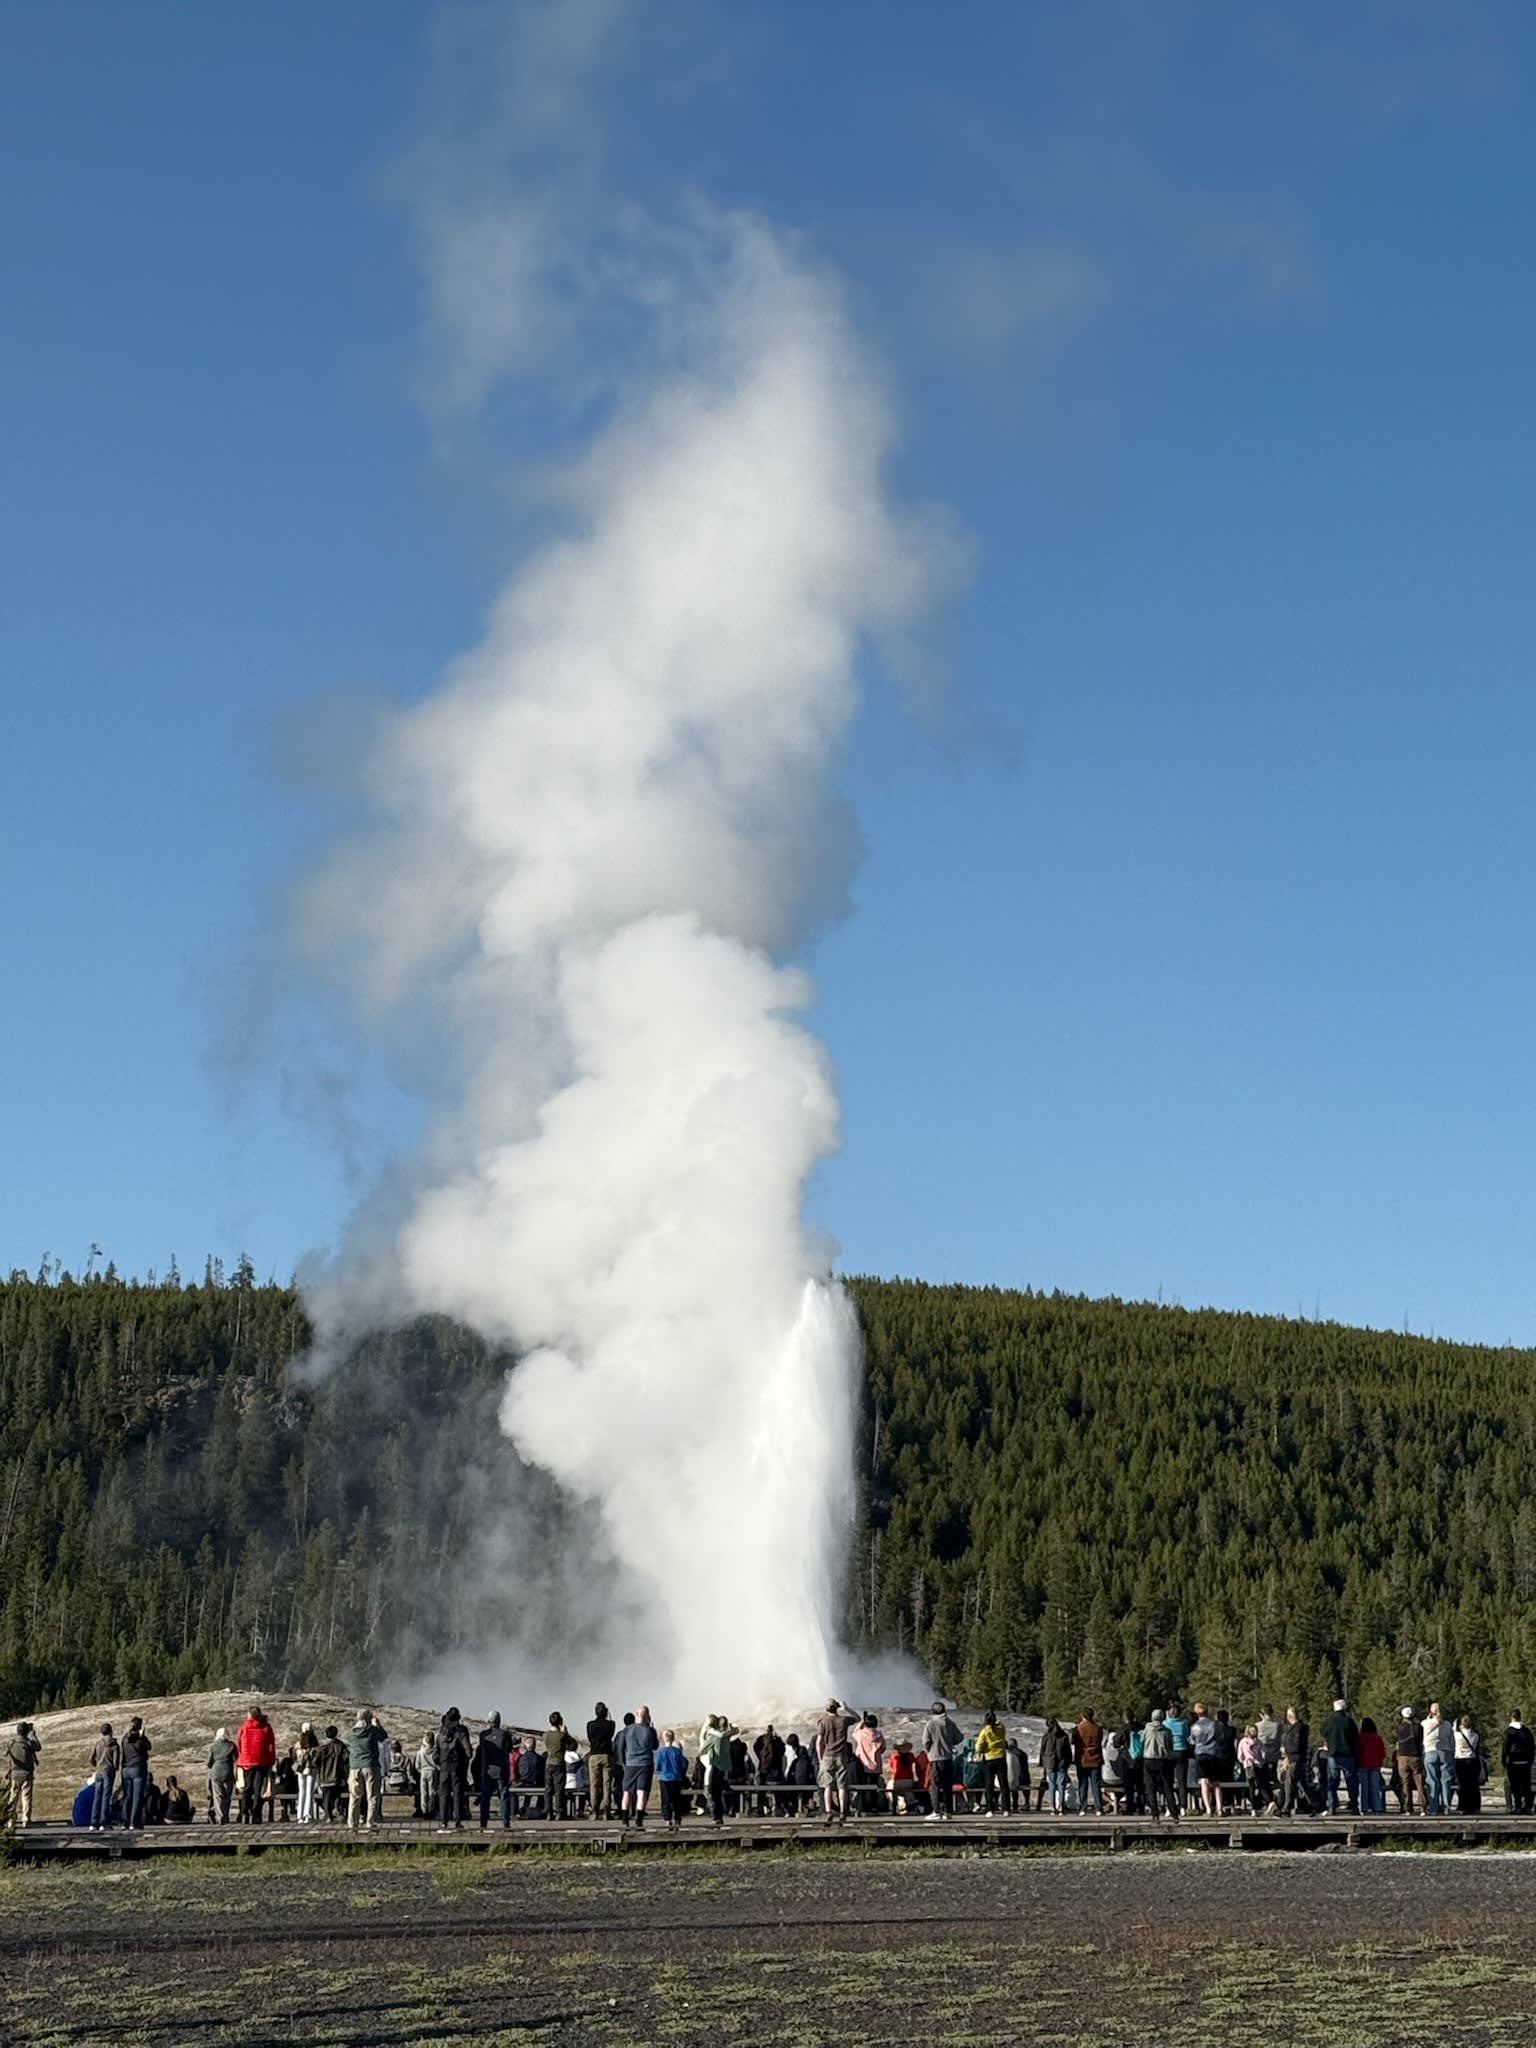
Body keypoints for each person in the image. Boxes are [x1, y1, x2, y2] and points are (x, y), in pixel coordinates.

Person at [814, 1698, 858, 1827]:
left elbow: (819, 1741)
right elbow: (858, 1718)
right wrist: (847, 1709)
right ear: (837, 1707)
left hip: (827, 1756)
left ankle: (829, 1812)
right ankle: (843, 1812)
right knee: (842, 1786)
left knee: (827, 1786)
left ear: (826, 1708)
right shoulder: (843, 1720)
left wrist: (820, 1756)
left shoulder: (823, 1722)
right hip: (841, 1756)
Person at [348, 1708, 390, 1831]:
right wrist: (377, 1724)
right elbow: (383, 1736)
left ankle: (352, 1823)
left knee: (355, 1796)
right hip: (370, 1765)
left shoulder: (351, 1732)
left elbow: (346, 1740)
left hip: (355, 1766)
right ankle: (370, 1821)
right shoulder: (372, 1731)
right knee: (372, 1796)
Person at [618, 1705, 659, 1828]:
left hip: (630, 1763)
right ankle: (639, 1820)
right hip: (645, 1763)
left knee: (626, 1792)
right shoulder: (650, 1730)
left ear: (636, 1714)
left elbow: (620, 1748)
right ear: (647, 1717)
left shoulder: (627, 1730)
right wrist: (651, 1727)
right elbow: (655, 1746)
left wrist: (623, 1763)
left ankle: (625, 1819)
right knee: (641, 1792)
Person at [474, 1712, 515, 1831]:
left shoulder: (483, 1735)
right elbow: (509, 1749)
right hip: (501, 1770)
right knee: (503, 1796)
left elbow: (480, 1751)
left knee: (485, 1797)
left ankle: (483, 1823)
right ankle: (506, 1823)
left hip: (487, 1771)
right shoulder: (505, 1734)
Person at [921, 1700, 961, 1821]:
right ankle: (948, 1811)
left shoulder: (931, 1723)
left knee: (935, 1786)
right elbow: (959, 1737)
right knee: (948, 1786)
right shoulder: (950, 1723)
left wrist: (930, 1751)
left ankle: (936, 1811)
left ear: (932, 1711)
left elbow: (926, 1741)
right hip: (948, 1758)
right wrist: (949, 1743)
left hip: (935, 1758)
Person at [236, 1706, 276, 1824]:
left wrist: (241, 1759)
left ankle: (244, 1813)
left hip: (246, 1761)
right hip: (261, 1761)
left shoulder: (244, 1727)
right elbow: (271, 1746)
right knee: (258, 1789)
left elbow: (239, 1744)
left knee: (247, 1788)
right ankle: (256, 1814)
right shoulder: (266, 1728)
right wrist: (271, 1761)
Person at [433, 1707, 471, 1831]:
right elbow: (469, 1752)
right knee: (457, 1795)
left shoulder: (440, 1736)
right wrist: (463, 1760)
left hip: (443, 1769)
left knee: (443, 1795)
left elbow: (435, 1754)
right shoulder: (460, 1734)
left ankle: (443, 1820)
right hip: (457, 1768)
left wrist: (440, 1762)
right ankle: (458, 1820)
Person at [1320, 1698, 1360, 1816]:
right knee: (1351, 1781)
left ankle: (1332, 1806)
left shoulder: (1330, 1721)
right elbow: (1355, 1736)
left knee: (1332, 1781)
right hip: (1348, 1755)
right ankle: (1354, 1805)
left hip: (1333, 1755)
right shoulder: (1349, 1721)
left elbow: (1322, 1732)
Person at [541, 1712, 577, 1821]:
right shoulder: (562, 1735)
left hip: (548, 1763)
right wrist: (566, 1732)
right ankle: (559, 1812)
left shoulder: (545, 1735)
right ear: (560, 1721)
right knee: (559, 1789)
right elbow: (573, 1745)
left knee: (548, 1789)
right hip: (559, 1763)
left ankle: (548, 1812)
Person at [5, 1721, 41, 1828]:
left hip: (15, 1774)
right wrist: (33, 1736)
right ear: (26, 1731)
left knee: (13, 1797)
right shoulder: (28, 1743)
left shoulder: (11, 1743)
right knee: (26, 1797)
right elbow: (38, 1747)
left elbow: (11, 1759)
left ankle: (10, 1820)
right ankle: (26, 1819)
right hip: (26, 1774)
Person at [1190, 1702, 1224, 1817]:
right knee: (1216, 1782)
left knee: (1204, 1782)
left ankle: (1208, 1809)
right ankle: (1219, 1808)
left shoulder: (1194, 1726)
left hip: (1200, 1754)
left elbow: (1192, 1740)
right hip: (1214, 1753)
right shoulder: (1214, 1725)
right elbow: (1221, 1737)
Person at [1278, 1706, 1312, 1818]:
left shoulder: (1298, 1728)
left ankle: (1286, 1808)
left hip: (1295, 1760)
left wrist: (1287, 1752)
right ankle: (1313, 1805)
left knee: (1289, 1783)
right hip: (1294, 1759)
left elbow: (1296, 1745)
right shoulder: (1296, 1728)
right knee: (1301, 1784)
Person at [1139, 1709, 1174, 1819]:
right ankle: (1174, 1812)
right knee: (1167, 1787)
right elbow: (1170, 1745)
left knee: (1150, 1788)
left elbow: (1141, 1742)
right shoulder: (1167, 1731)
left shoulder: (1146, 1730)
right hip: (1163, 1760)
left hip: (1148, 1759)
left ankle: (1155, 1813)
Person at [1422, 1702, 1456, 1815]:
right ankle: (1446, 1807)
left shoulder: (1425, 1723)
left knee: (1432, 1780)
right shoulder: (1447, 1724)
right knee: (1445, 1780)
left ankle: (1433, 1808)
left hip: (1430, 1751)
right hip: (1445, 1752)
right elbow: (1452, 1740)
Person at [120, 1716, 152, 1830]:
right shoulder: (140, 1739)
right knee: (137, 1797)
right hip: (138, 1768)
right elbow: (148, 1747)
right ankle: (134, 1822)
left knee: (127, 1796)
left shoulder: (124, 1738)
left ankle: (124, 1821)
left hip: (126, 1769)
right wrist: (143, 1736)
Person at [698, 1714, 731, 1828]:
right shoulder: (726, 1737)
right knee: (718, 1793)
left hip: (714, 1766)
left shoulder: (714, 1737)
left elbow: (702, 1750)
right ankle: (719, 1817)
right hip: (723, 1768)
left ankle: (715, 1818)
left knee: (711, 1793)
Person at [585, 1703, 616, 1822]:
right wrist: (609, 1716)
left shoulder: (590, 1725)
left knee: (594, 1784)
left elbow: (589, 1738)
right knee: (607, 1784)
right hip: (607, 1755)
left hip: (594, 1755)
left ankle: (594, 1810)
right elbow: (611, 1733)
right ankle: (607, 1810)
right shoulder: (610, 1724)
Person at [1393, 1708, 1425, 1816]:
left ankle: (1407, 1808)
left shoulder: (1399, 1727)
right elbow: (1421, 1741)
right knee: (1419, 1782)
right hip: (1415, 1756)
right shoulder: (1419, 1728)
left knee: (1405, 1782)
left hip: (1402, 1756)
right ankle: (1423, 1807)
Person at [656, 1729, 690, 1831]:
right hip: (676, 1778)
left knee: (666, 1800)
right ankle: (677, 1819)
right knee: (676, 1800)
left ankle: (668, 1820)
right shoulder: (678, 1752)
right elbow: (682, 1765)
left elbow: (658, 1767)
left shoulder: (661, 1752)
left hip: (664, 1778)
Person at [89, 1722, 120, 1833]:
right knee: (106, 1797)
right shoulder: (114, 1745)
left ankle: (93, 1823)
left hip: (99, 1771)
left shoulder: (97, 1744)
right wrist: (114, 1768)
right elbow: (116, 1763)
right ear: (111, 1731)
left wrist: (96, 1765)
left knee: (97, 1796)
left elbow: (91, 1758)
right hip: (108, 1772)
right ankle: (104, 1822)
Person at [1039, 1716, 1072, 1815]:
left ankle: (1053, 1807)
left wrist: (1042, 1762)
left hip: (1049, 1763)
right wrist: (1069, 1761)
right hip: (1062, 1763)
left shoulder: (1046, 1736)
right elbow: (1068, 1751)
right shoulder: (1064, 1736)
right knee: (1061, 1785)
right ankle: (1061, 1807)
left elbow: (1042, 1750)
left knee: (1052, 1786)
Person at [1073, 1711, 1104, 1817]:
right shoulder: (1097, 1728)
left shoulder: (1078, 1728)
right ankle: (1099, 1808)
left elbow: (1073, 1741)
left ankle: (1083, 1808)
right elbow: (1100, 1741)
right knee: (1096, 1784)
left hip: (1082, 1759)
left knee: (1083, 1784)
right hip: (1095, 1759)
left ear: (1083, 1716)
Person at [1503, 1712, 1535, 1814]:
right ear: (1520, 1717)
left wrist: (1504, 1761)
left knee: (1515, 1785)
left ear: (1512, 1718)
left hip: (1514, 1761)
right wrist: (1530, 1760)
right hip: (1525, 1761)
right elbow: (1531, 1747)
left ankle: (1518, 1806)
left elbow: (1506, 1747)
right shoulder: (1526, 1731)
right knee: (1526, 1785)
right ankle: (1528, 1806)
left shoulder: (1509, 1732)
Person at [314, 1725, 347, 1821]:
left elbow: (315, 1761)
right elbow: (346, 1758)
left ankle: (328, 1816)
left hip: (325, 1775)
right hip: (337, 1775)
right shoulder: (341, 1746)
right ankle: (336, 1808)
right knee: (337, 1794)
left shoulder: (322, 1747)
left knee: (326, 1797)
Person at [206, 1726, 237, 1824]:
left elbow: (209, 1762)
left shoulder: (213, 1746)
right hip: (228, 1773)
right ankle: (226, 1815)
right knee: (227, 1796)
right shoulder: (231, 1746)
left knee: (218, 1796)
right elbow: (236, 1759)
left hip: (216, 1773)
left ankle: (220, 1816)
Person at [1253, 1705, 1281, 1812]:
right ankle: (1267, 1801)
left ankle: (1268, 1801)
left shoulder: (1258, 1726)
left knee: (1262, 1781)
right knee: (1272, 1779)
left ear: (1262, 1714)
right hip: (1274, 1755)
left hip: (1261, 1757)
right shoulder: (1278, 1725)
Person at [1356, 1718, 1386, 1814]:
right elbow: (1382, 1752)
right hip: (1375, 1764)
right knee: (1375, 1787)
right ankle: (1377, 1807)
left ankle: (1364, 1808)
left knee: (1364, 1787)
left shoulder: (1359, 1737)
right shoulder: (1377, 1737)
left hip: (1362, 1764)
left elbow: (1356, 1750)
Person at [1454, 1714, 1483, 1814]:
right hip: (1473, 1760)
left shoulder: (1457, 1735)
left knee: (1462, 1784)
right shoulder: (1475, 1735)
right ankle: (1475, 1806)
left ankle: (1463, 1806)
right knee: (1474, 1784)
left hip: (1461, 1760)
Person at [1164, 1705, 1190, 1815]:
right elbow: (1186, 1735)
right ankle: (1183, 1806)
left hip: (1170, 1752)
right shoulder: (1184, 1723)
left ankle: (1170, 1807)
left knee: (1168, 1781)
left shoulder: (1165, 1723)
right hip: (1182, 1751)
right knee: (1182, 1781)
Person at [293, 1723, 319, 1824]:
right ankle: (308, 1815)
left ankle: (300, 1816)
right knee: (309, 1792)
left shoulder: (298, 1744)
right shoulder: (314, 1745)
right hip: (311, 1769)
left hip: (300, 1769)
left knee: (301, 1791)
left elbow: (293, 1756)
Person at [513, 1736, 545, 1818]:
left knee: (515, 1790)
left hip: (524, 1783)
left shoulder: (521, 1758)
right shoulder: (540, 1758)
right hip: (537, 1784)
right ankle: (540, 1809)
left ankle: (519, 1810)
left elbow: (518, 1772)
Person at [415, 1730, 438, 1821]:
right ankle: (431, 1809)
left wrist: (420, 1770)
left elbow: (417, 1765)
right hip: (433, 1771)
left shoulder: (420, 1752)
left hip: (423, 1771)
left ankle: (424, 1810)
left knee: (424, 1792)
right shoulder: (435, 1752)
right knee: (432, 1792)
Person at [1005, 1735, 1028, 1816]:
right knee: (1017, 1787)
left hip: (1011, 1779)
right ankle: (1024, 1804)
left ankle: (996, 1804)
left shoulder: (1008, 1754)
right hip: (1024, 1778)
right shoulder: (1023, 1754)